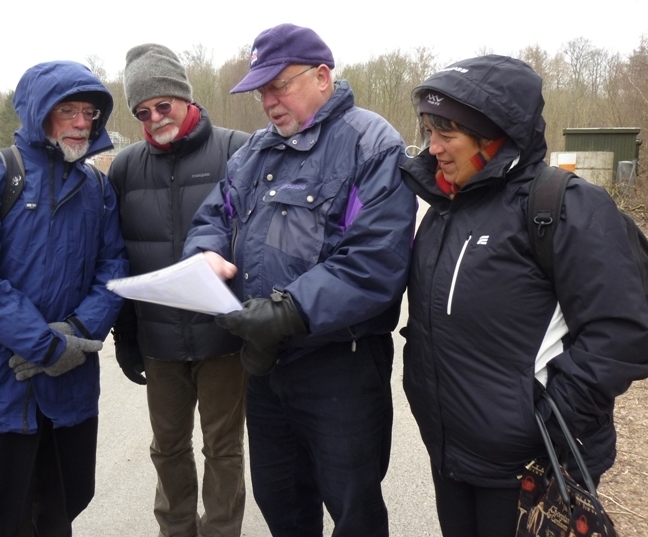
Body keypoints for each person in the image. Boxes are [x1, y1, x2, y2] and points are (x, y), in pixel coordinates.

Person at [182, 24, 416, 537]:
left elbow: (375, 259)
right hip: (267, 366)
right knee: (280, 500)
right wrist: (204, 252)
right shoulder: (252, 155)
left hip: (340, 366)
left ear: (323, 76)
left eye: (279, 85)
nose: (268, 101)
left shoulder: (370, 144)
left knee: (352, 507)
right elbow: (214, 218)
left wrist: (289, 310)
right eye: (261, 90)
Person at [400, 54, 648, 536]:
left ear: (493, 137)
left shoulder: (564, 206)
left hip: (531, 468)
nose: (432, 149)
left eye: (445, 134)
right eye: (428, 131)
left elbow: (622, 330)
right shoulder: (445, 209)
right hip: (453, 457)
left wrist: (547, 422)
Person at [0, 60, 128, 536]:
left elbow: (113, 271)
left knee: (58, 512)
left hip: (67, 393)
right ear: (39, 112)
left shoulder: (98, 188)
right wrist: (44, 345)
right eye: (68, 110)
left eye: (89, 112)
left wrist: (77, 332)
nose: (83, 123)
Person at [108, 44, 250, 537]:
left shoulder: (238, 149)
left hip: (222, 338)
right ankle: (175, 529)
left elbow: (258, 243)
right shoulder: (124, 168)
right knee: (167, 447)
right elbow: (119, 256)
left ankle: (222, 530)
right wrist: (126, 335)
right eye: (141, 112)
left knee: (223, 448)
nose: (153, 118)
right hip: (159, 341)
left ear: (184, 98)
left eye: (161, 105)